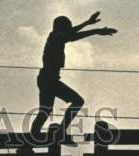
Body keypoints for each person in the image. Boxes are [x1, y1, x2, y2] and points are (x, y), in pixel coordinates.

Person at [28, 12, 117, 146]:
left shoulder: (55, 36)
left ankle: (32, 138)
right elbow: (71, 36)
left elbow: (70, 33)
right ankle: (58, 133)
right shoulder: (57, 37)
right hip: (49, 79)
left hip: (47, 78)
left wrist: (87, 23)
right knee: (77, 101)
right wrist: (96, 30)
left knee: (45, 111)